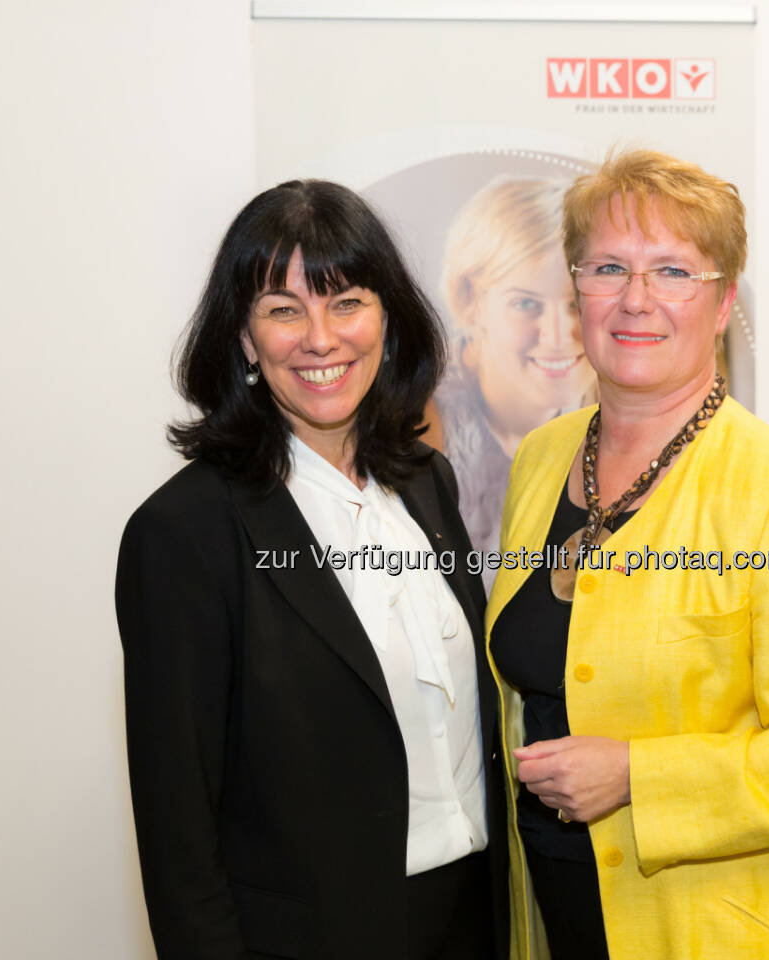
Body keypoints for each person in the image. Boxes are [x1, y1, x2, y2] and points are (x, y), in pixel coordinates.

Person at [485, 150, 769, 960]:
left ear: (721, 304)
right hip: (556, 918)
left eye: (673, 271)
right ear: (578, 294)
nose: (636, 299)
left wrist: (640, 774)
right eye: (609, 267)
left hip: (715, 934)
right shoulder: (540, 459)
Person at [115, 180, 507, 960]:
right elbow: (178, 833)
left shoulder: (428, 481)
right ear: (244, 339)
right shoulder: (184, 533)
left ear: (388, 319)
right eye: (283, 310)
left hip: (469, 919)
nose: (321, 338)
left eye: (347, 301)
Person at [429, 177, 597, 584]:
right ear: (469, 301)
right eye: (526, 303)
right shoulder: (415, 421)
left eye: (577, 304)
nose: (558, 337)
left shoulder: (622, 414)